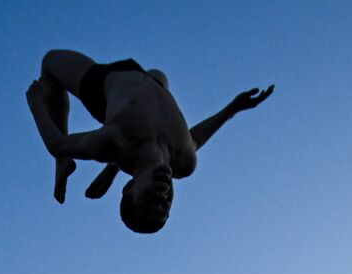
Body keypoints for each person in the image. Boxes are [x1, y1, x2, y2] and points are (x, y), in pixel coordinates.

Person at [26, 49, 275, 232]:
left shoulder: (114, 141)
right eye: (166, 204)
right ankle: (114, 168)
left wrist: (36, 103)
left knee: (49, 62)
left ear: (130, 188)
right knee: (160, 74)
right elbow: (194, 139)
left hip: (106, 83)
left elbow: (57, 143)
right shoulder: (185, 161)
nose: (163, 195)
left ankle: (64, 164)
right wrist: (232, 109)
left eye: (151, 199)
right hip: (151, 81)